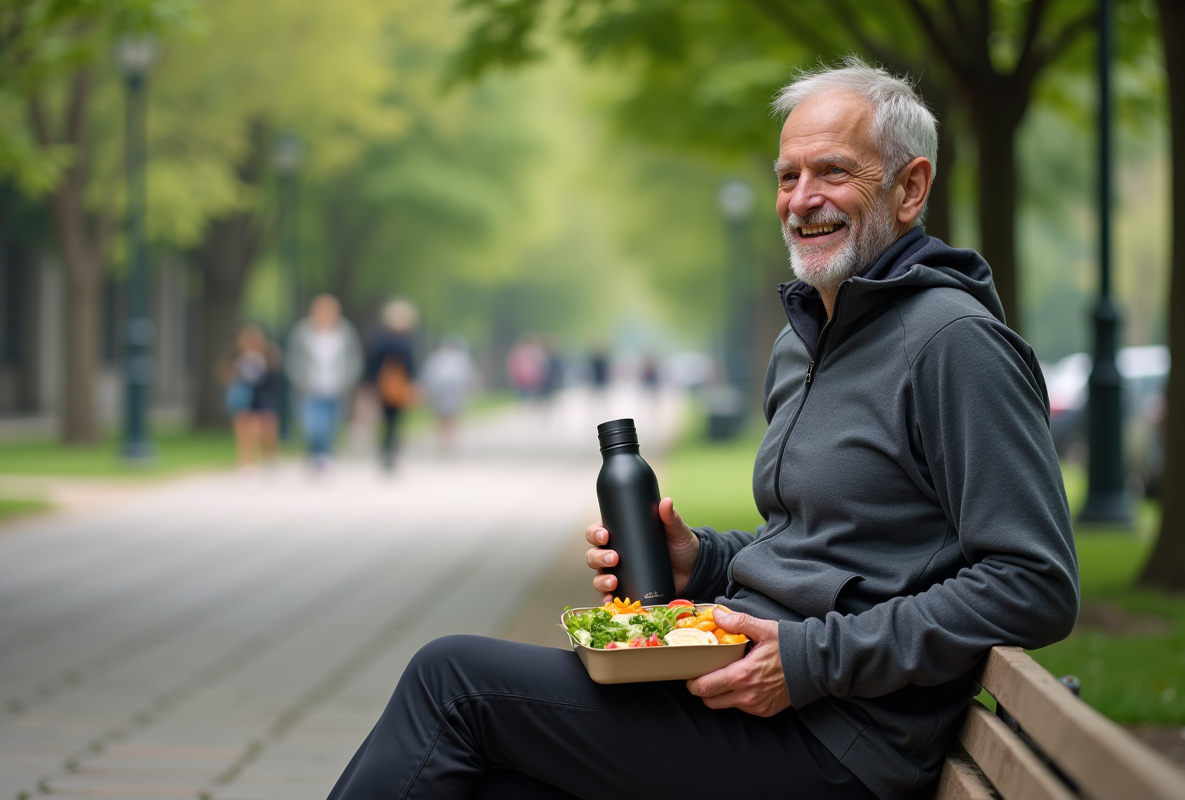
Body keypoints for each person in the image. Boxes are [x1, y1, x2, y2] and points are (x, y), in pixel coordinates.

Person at [326, 58, 1078, 800]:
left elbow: (1034, 583)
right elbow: (821, 541)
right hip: (745, 695)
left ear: (911, 188)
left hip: (837, 742)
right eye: (788, 177)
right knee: (489, 785)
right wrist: (702, 562)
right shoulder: (805, 341)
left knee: (451, 680)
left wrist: (812, 660)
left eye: (833, 172)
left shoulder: (954, 344)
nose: (802, 199)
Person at [286, 294, 363, 473]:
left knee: (330, 426)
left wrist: (348, 379)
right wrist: (298, 378)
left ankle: (325, 457)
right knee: (313, 427)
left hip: (336, 388)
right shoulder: (303, 331)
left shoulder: (345, 331)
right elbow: (293, 358)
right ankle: (314, 455)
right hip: (309, 389)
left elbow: (353, 358)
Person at [216, 324, 282, 473]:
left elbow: (274, 374)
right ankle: (248, 465)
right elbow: (223, 372)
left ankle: (270, 457)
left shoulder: (268, 353)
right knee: (245, 431)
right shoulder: (235, 354)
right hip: (244, 396)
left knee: (267, 431)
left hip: (265, 396)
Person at [363, 300, 419, 471]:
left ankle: (390, 450)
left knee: (396, 420)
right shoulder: (385, 340)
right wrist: (370, 383)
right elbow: (373, 362)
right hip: (383, 384)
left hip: (400, 386)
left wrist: (413, 385)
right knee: (386, 418)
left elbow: (411, 366)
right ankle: (386, 449)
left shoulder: (406, 339)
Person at [419, 334, 476, 454]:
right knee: (449, 417)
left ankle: (447, 442)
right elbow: (468, 376)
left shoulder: (438, 358)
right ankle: (449, 442)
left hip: (448, 390)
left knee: (446, 417)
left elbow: (428, 375)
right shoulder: (457, 358)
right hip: (447, 390)